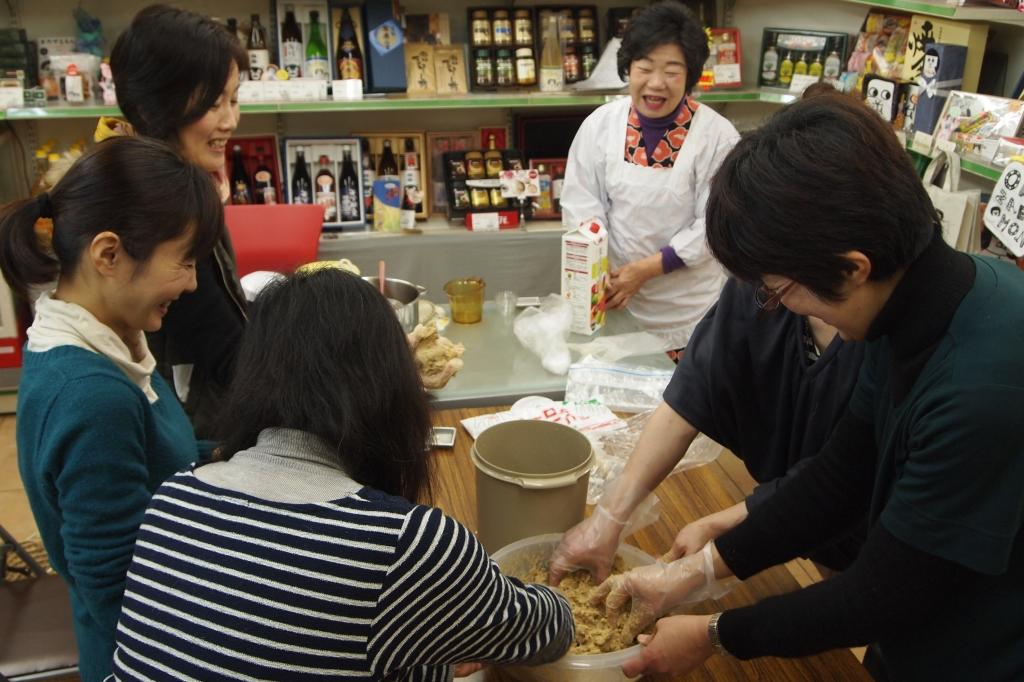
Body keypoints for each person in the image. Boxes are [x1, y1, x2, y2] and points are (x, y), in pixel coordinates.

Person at [592, 91, 1024, 680]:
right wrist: (701, 572)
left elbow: (885, 594)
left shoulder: (979, 390)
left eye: (779, 291)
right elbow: (841, 474)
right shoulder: (908, 303)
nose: (775, 306)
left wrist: (716, 633)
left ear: (852, 267)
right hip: (913, 635)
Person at [109, 269, 575, 680]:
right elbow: (550, 630)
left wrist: (428, 648)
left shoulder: (173, 497)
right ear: (393, 385)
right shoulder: (405, 544)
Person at [549, 84, 866, 586]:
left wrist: (714, 561)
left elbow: (843, 479)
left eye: (777, 284)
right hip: (801, 530)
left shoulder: (896, 333)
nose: (767, 297)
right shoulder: (763, 285)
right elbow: (695, 387)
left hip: (884, 554)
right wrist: (609, 516)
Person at [0, 136, 224, 681]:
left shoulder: (113, 342)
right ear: (108, 254)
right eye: (185, 262)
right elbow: (120, 594)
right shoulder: (91, 395)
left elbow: (161, 459)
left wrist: (237, 452)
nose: (193, 283)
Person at [560, 0, 739, 354]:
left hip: (690, 313)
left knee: (686, 404)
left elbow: (716, 225)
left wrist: (645, 270)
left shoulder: (718, 136)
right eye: (645, 67)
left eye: (672, 71)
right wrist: (596, 267)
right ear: (629, 68)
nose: (656, 84)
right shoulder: (600, 125)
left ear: (691, 75)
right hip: (615, 300)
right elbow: (581, 201)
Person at [106, 5, 249, 437]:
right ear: (156, 107)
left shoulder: (182, 182)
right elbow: (221, 346)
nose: (231, 120)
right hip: (190, 430)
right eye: (212, 103)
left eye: (234, 99)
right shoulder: (162, 213)